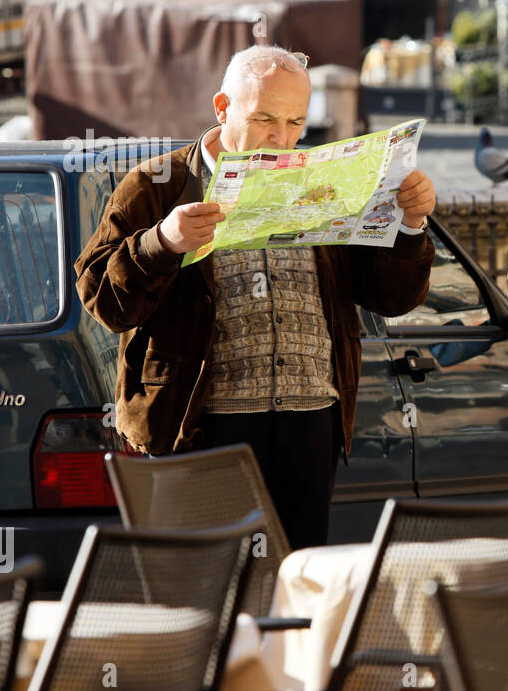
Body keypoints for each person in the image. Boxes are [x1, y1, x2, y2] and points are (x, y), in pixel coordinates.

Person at [74, 44, 436, 549]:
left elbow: (391, 297)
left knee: (298, 579)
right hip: (201, 428)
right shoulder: (157, 185)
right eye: (265, 118)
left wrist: (411, 226)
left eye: (295, 122)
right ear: (222, 108)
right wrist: (162, 243)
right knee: (206, 584)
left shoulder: (323, 182)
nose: (280, 137)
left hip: (310, 421)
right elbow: (103, 302)